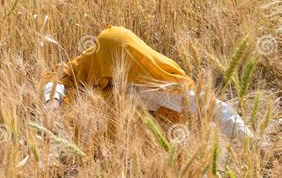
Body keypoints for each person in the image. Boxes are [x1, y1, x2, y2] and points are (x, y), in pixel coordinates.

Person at [42, 25, 252, 142]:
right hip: (112, 151)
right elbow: (61, 76)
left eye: (124, 62)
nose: (118, 69)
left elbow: (214, 108)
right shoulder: (95, 59)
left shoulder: (159, 82)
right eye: (112, 63)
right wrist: (52, 100)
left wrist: (250, 141)